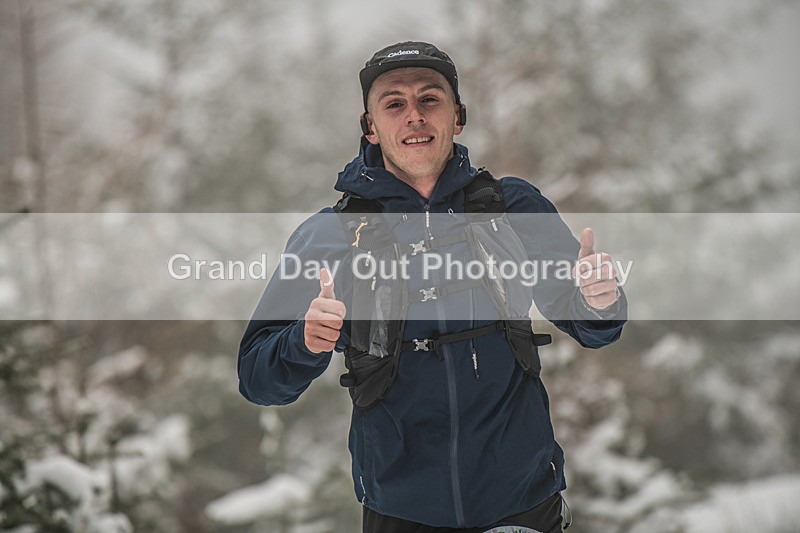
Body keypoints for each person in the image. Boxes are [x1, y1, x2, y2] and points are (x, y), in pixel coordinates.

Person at [237, 41, 627, 533]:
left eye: (430, 99)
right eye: (394, 104)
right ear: (371, 127)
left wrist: (601, 300)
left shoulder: (513, 208)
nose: (414, 115)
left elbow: (595, 326)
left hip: (523, 504)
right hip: (401, 511)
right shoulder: (330, 235)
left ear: (457, 116)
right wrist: (304, 342)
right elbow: (256, 376)